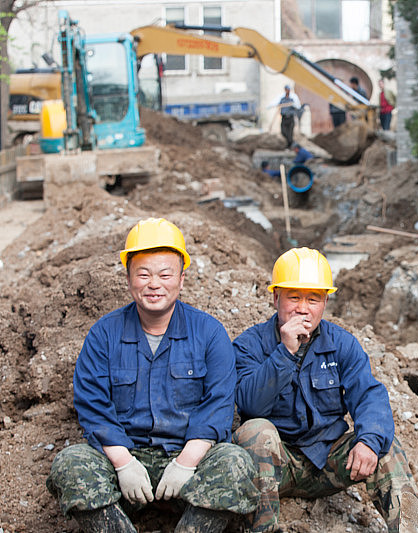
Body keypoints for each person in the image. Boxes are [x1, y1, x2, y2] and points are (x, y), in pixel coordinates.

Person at [46, 218, 259, 533]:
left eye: (164, 274)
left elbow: (218, 406)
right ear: (129, 278)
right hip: (125, 461)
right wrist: (123, 463)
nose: (153, 284)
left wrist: (185, 463)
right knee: (70, 464)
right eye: (143, 274)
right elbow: (92, 405)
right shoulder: (104, 334)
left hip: (188, 463)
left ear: (181, 279)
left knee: (236, 463)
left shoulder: (210, 333)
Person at [232, 247, 417, 533]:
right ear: (275, 297)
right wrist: (286, 352)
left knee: (384, 445)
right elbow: (250, 405)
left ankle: (412, 529)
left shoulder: (342, 344)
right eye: (293, 297)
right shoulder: (250, 345)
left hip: (325, 462)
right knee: (256, 431)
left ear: (325, 302)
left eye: (313, 299)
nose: (303, 308)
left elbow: (369, 395)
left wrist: (368, 441)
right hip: (272, 468)